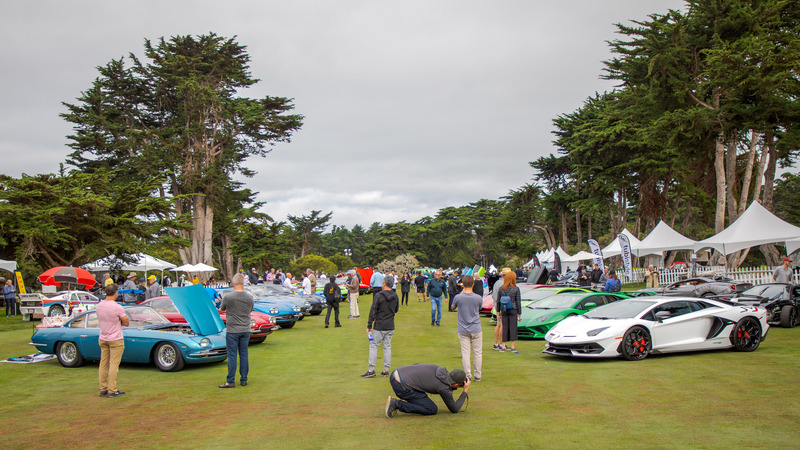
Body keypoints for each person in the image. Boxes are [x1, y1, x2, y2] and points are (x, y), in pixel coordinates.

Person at [384, 364, 470, 418]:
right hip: (401, 386)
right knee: (431, 409)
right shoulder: (443, 387)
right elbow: (454, 409)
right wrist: (465, 391)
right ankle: (396, 404)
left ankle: (397, 403)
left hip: (396, 373)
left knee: (421, 394)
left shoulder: (441, 370)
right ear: (456, 384)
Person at [219, 273, 255, 388]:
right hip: (245, 329)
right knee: (244, 354)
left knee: (232, 355)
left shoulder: (228, 297)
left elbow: (222, 308)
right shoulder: (249, 297)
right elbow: (250, 310)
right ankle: (244, 379)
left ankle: (230, 380)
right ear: (243, 283)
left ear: (233, 283)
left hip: (233, 329)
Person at [362, 276, 399, 378]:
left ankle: (371, 369)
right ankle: (386, 369)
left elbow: (373, 310)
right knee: (387, 346)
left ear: (384, 284)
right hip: (390, 325)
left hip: (380, 325)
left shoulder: (378, 295)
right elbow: (396, 309)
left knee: (373, 345)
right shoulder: (395, 296)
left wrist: (369, 325)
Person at [96, 283, 129, 398]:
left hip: (103, 336)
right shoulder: (117, 307)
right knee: (114, 364)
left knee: (103, 363)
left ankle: (103, 388)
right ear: (116, 293)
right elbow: (126, 321)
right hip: (115, 338)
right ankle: (112, 389)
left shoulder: (99, 306)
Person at [451, 275, 483, 382]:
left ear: (462, 284)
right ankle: (478, 375)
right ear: (473, 284)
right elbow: (480, 307)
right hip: (476, 328)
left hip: (463, 329)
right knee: (477, 353)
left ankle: (468, 375)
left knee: (465, 353)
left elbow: (452, 307)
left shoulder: (458, 297)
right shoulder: (478, 297)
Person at [497, 270, 521, 353]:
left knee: (505, 327)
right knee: (513, 327)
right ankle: (512, 346)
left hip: (504, 309)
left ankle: (503, 345)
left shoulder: (501, 288)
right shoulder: (516, 288)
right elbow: (518, 301)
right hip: (513, 309)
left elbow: (498, 301)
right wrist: (519, 313)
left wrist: (498, 311)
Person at [492, 267, 511, 350]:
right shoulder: (504, 284)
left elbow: (494, 295)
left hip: (497, 304)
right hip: (502, 305)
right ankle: (501, 344)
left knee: (498, 324)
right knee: (503, 324)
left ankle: (496, 344)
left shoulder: (497, 282)